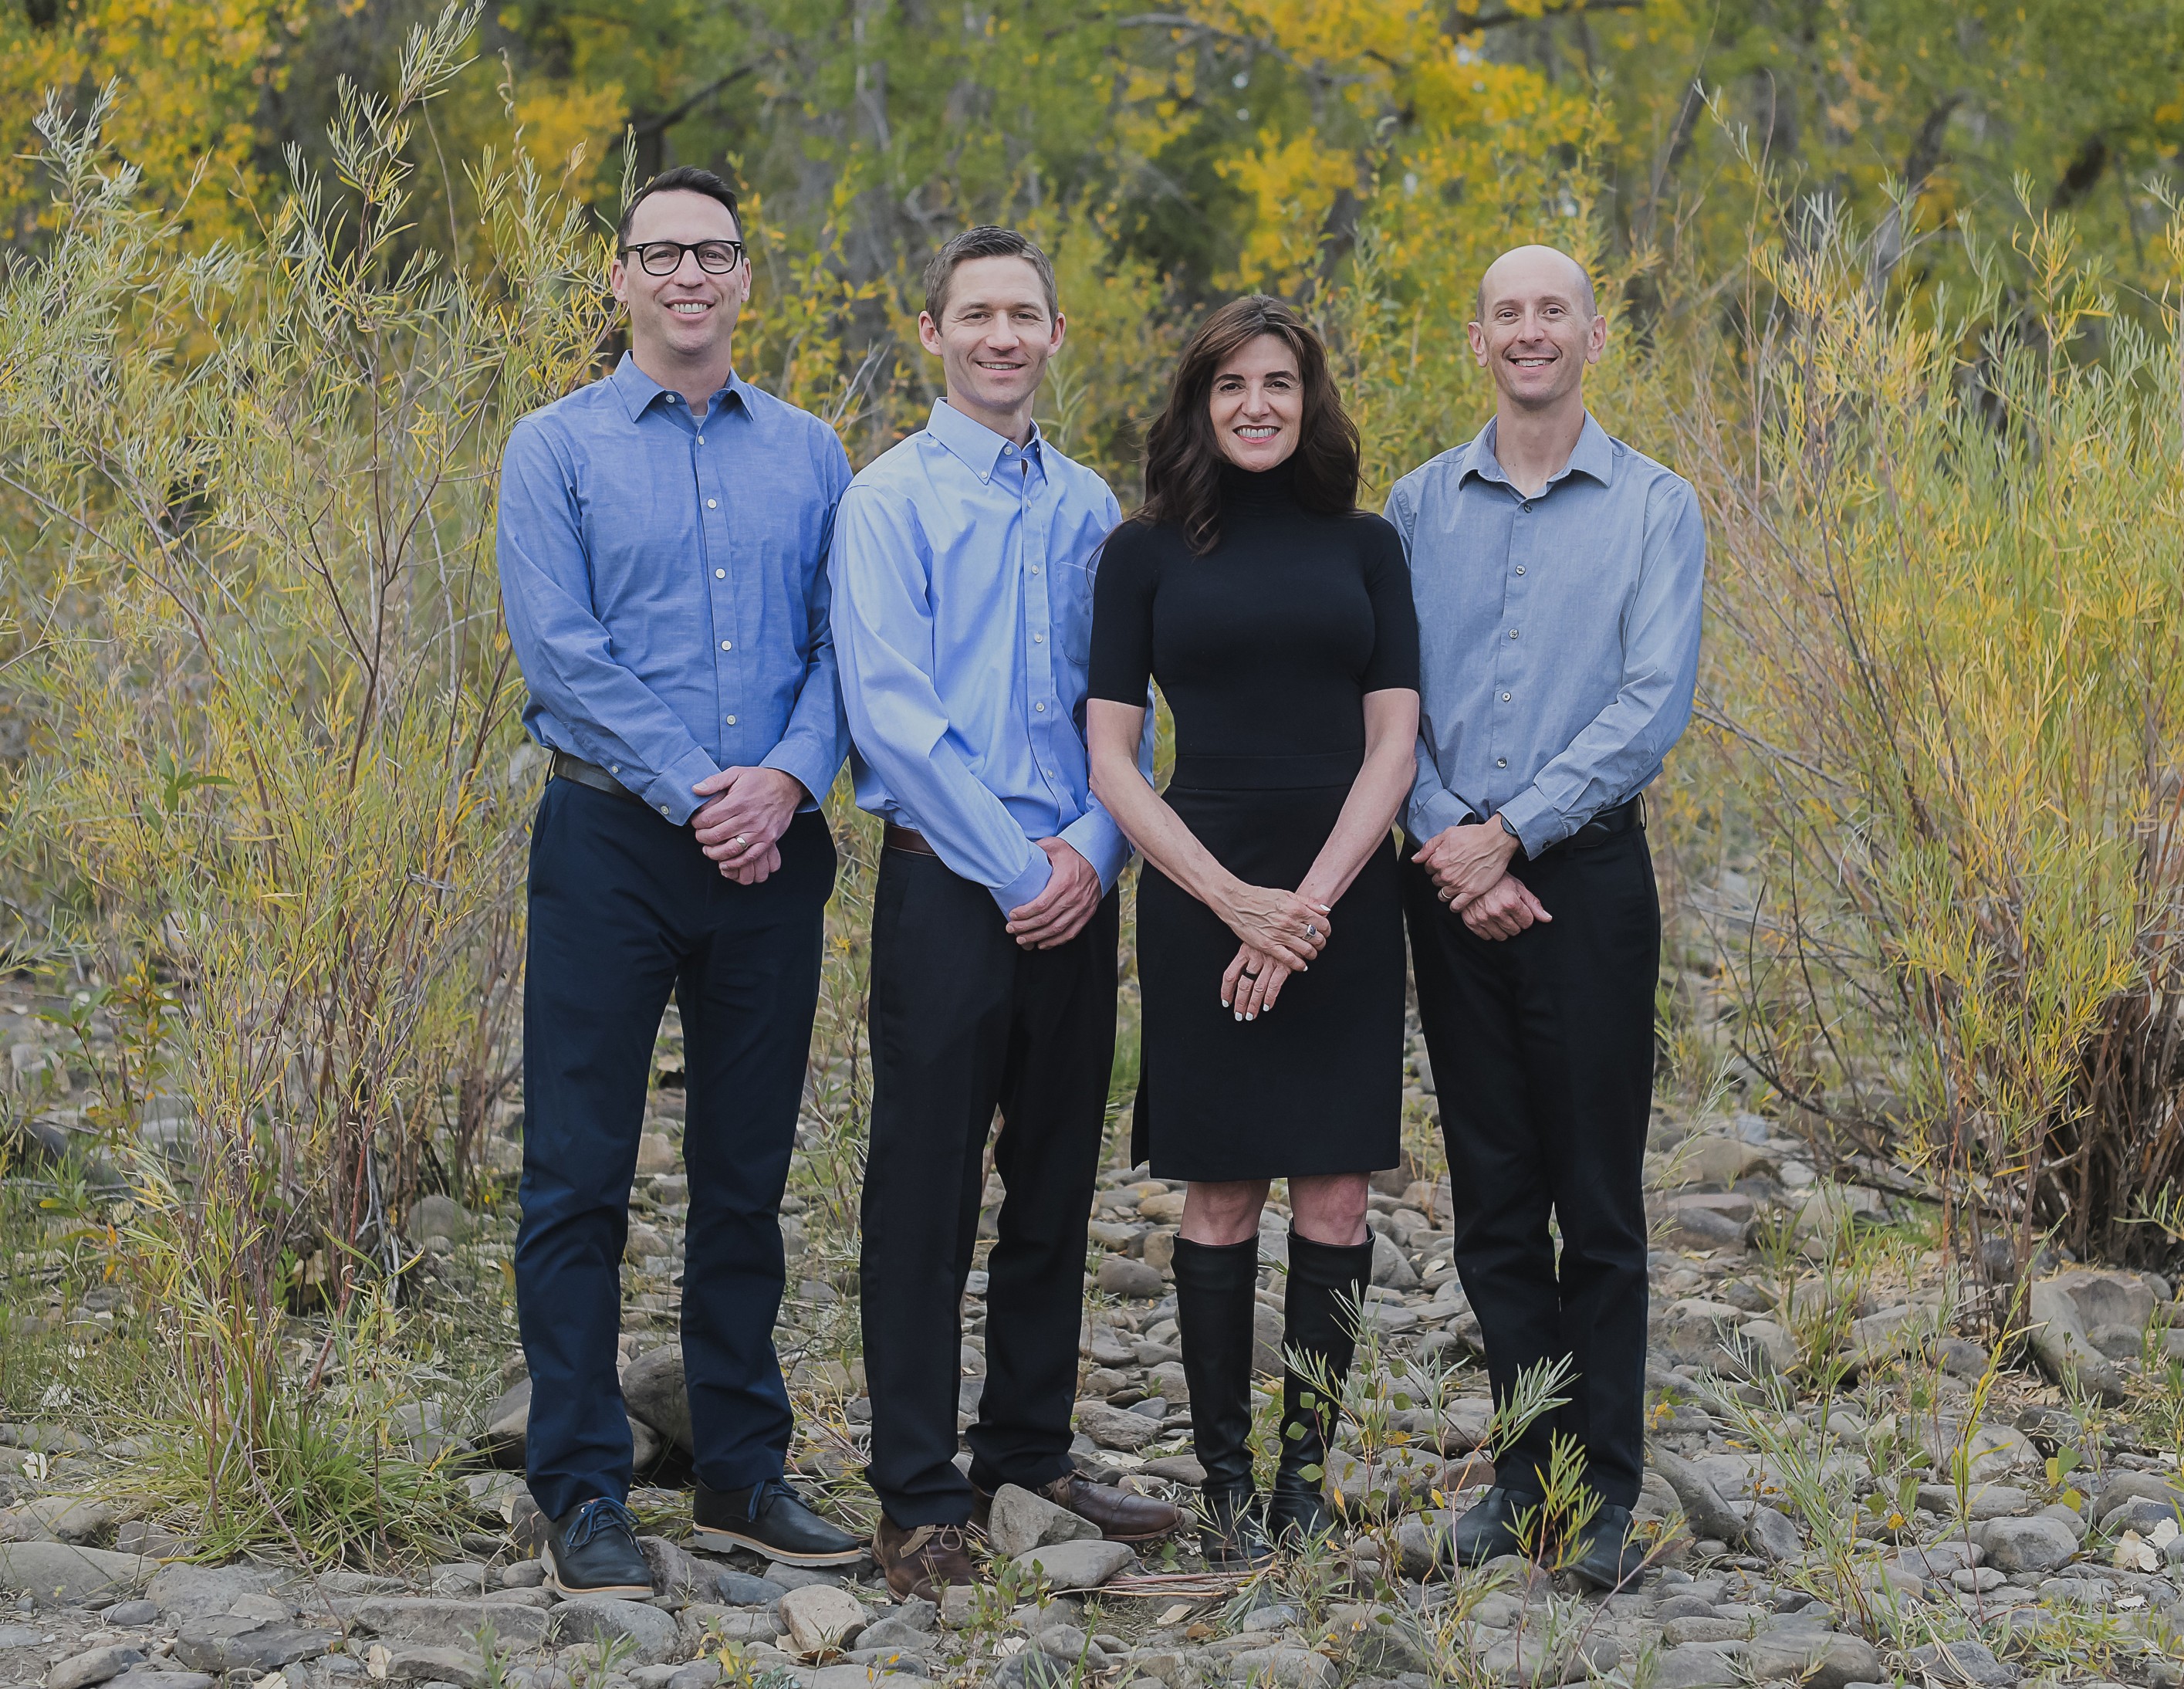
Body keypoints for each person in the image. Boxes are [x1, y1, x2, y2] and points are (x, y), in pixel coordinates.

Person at [498, 166, 868, 1596]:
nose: (687, 277)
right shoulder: (556, 446)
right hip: (610, 846)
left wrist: (780, 781)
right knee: (576, 1178)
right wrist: (701, 790)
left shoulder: (813, 454)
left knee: (744, 1178)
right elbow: (561, 654)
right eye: (659, 254)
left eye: (711, 252)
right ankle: (585, 1487)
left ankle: (740, 1473)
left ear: (745, 278)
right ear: (620, 280)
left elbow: (848, 646)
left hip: (772, 849)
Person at [830, 226, 1179, 1600]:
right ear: (932, 334)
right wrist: (1021, 866)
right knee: (924, 1189)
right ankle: (918, 1494)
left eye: (1023, 314)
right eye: (974, 314)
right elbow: (894, 718)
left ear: (1051, 334)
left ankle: (1024, 1455)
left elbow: (1124, 707)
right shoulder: (889, 501)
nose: (1000, 336)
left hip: (1078, 881)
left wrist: (1095, 849)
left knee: (1051, 1177)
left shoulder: (1091, 505)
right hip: (952, 885)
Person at [1385, 245, 1705, 1590]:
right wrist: (1451, 838)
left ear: (1594, 333)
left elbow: (1652, 701)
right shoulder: (1413, 506)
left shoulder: (1653, 507)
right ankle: (1527, 1482)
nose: (1529, 332)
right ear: (1477, 337)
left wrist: (1511, 832)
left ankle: (1611, 1494)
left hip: (1585, 885)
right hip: (1444, 878)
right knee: (1493, 1200)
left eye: (1552, 312)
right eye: (1505, 311)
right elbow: (1380, 701)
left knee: (1596, 1201)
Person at [1086, 296, 1421, 1568]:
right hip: (1195, 888)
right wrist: (1232, 902)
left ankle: (1301, 1476)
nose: (1256, 406)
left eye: (1277, 383)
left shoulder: (1367, 546)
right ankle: (1222, 1479)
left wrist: (1310, 908)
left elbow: (1393, 739)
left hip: (1341, 893)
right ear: (1197, 404)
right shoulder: (1145, 553)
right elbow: (1112, 759)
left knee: (1334, 1187)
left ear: (1309, 397)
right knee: (1220, 1187)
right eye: (1230, 387)